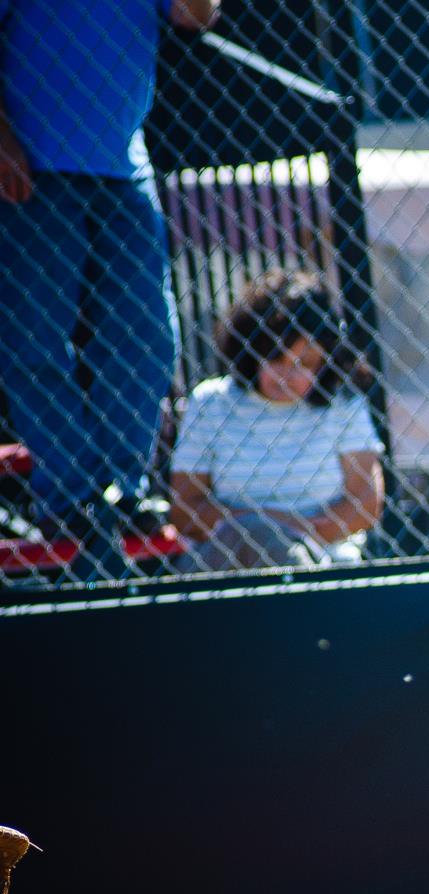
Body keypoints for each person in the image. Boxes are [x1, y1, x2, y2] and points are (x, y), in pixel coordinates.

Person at [0, 0, 221, 577]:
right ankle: (71, 497)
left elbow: (197, 16)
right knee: (34, 341)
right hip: (33, 163)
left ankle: (123, 490)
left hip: (125, 167)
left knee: (147, 337)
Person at [169, 270, 383, 570]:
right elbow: (184, 510)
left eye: (305, 363)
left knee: (274, 546)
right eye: (276, 358)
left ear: (326, 360)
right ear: (252, 350)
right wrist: (262, 527)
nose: (289, 376)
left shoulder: (343, 407)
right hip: (224, 562)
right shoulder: (210, 402)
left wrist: (287, 534)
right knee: (257, 536)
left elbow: (366, 503)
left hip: (320, 561)